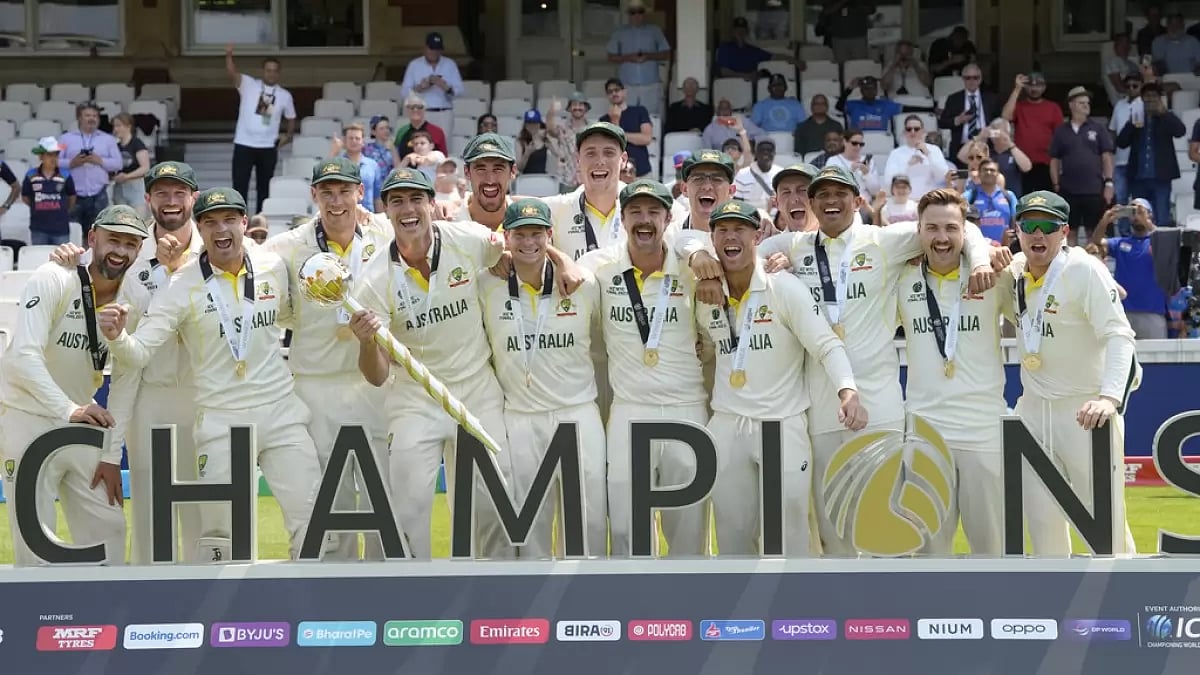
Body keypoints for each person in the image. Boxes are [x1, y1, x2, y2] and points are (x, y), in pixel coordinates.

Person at [684, 165, 999, 556]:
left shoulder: (884, 241)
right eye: (823, 195)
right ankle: (841, 615)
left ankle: (887, 617)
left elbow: (957, 226)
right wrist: (707, 268)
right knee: (834, 530)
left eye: (841, 194)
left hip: (879, 404)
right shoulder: (795, 245)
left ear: (859, 200)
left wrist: (982, 259)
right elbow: (733, 252)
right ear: (813, 204)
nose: (831, 201)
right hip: (821, 407)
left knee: (888, 526)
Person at [98, 187, 325, 562]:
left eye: (229, 220)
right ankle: (221, 619)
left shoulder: (271, 267)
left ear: (244, 223)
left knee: (312, 524)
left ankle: (309, 614)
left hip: (281, 413)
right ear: (199, 230)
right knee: (221, 541)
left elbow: (294, 313)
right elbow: (139, 353)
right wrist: (117, 336)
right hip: (221, 421)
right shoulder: (180, 285)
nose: (222, 230)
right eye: (210, 222)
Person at [350, 168, 508, 559]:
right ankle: (414, 596)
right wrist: (367, 343)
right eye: (397, 201)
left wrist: (559, 260)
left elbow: (513, 247)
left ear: (431, 204)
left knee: (489, 506)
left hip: (476, 389)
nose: (408, 209)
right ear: (384, 209)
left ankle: (485, 592)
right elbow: (376, 375)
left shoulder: (468, 239)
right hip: (414, 397)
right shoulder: (372, 278)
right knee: (408, 510)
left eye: (416, 199)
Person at [698, 198, 864, 556]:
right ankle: (737, 613)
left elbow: (826, 345)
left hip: (781, 423)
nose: (731, 238)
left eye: (739, 229)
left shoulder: (784, 288)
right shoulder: (704, 293)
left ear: (757, 235)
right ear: (711, 239)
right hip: (728, 423)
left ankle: (794, 611)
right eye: (722, 230)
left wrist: (847, 390)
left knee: (788, 534)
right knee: (732, 532)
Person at [0, 205, 150, 566]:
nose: (120, 251)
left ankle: (108, 618)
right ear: (92, 238)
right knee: (35, 542)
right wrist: (68, 408)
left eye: (130, 244)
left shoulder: (137, 297)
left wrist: (112, 455)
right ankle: (38, 620)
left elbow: (127, 376)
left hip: (81, 421)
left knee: (109, 532)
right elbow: (24, 356)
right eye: (113, 240)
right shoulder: (54, 275)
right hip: (26, 415)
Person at [260, 157, 394, 560]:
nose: (336, 202)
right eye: (327, 193)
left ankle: (384, 586)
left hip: (374, 384)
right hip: (315, 387)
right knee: (330, 501)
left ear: (359, 193)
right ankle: (334, 596)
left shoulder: (384, 232)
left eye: (345, 192)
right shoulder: (288, 246)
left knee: (381, 497)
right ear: (314, 195)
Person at [577, 179, 708, 557]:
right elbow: (564, 269)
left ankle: (689, 612)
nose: (644, 219)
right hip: (630, 410)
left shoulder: (691, 266)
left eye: (653, 211)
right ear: (622, 217)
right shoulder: (601, 267)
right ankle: (631, 613)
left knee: (688, 533)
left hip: (687, 411)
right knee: (625, 530)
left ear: (669, 218)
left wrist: (696, 249)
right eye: (635, 211)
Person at [1005, 190, 1139, 555]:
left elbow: (1120, 336)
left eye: (1047, 227)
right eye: (1029, 226)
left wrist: (1109, 398)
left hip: (1084, 412)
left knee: (1104, 526)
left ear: (1064, 232)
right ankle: (1054, 606)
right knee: (1041, 521)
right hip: (1032, 411)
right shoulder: (1014, 272)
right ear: (1016, 230)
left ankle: (1124, 602)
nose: (1037, 235)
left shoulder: (1083, 269)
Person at [478, 198, 607, 558]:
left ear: (550, 236)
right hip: (521, 417)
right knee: (530, 527)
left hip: (577, 412)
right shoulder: (486, 285)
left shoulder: (583, 284)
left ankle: (584, 605)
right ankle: (533, 613)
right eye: (520, 234)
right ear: (507, 237)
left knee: (588, 525)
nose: (528, 243)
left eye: (537, 234)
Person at [898, 189, 1011, 555]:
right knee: (927, 555)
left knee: (992, 550)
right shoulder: (900, 279)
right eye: (932, 228)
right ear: (918, 231)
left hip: (984, 432)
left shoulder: (994, 275)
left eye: (951, 228)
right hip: (925, 432)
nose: (941, 238)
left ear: (965, 233)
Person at [226, 45, 296, 215]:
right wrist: (228, 56)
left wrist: (288, 135)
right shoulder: (249, 85)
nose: (271, 73)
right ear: (263, 71)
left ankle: (260, 222)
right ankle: (239, 218)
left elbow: (291, 117)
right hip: (244, 144)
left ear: (279, 73)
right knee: (240, 185)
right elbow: (232, 74)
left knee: (264, 188)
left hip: (267, 147)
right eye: (268, 70)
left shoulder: (285, 95)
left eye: (274, 71)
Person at [1091, 198, 1172, 339]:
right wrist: (1105, 221)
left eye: (1139, 210)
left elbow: (1168, 244)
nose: (1136, 215)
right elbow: (1097, 241)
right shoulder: (1121, 243)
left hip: (1152, 313)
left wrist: (1147, 222)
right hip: (1123, 313)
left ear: (1150, 215)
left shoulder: (1158, 241)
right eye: (1132, 211)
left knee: (1155, 360)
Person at [1115, 81, 1186, 225]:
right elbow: (1121, 142)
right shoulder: (1136, 119)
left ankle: (1161, 247)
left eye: (1154, 96)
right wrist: (1130, 123)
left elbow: (1180, 131)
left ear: (1160, 99)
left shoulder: (1166, 117)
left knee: (1162, 216)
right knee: (1140, 218)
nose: (1150, 100)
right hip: (1138, 177)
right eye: (1147, 96)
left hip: (1161, 177)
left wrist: (1165, 113)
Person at [1049, 87, 1114, 242]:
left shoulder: (1098, 129)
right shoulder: (1061, 131)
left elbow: (1106, 156)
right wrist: (1056, 184)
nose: (1086, 105)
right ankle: (1072, 265)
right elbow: (1054, 160)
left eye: (1087, 102)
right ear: (1071, 105)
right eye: (1081, 102)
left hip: (1093, 189)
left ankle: (1092, 264)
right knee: (1070, 231)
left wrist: (1109, 183)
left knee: (1094, 231)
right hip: (1068, 189)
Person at [58, 102, 122, 241]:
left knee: (98, 235)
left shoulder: (108, 139)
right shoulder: (65, 139)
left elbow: (118, 163)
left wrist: (99, 161)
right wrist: (72, 163)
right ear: (79, 118)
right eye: (87, 115)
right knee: (72, 235)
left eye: (95, 116)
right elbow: (54, 162)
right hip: (72, 195)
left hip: (98, 194)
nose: (91, 118)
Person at [605, 0, 671, 116]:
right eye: (633, 12)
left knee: (651, 116)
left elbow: (666, 53)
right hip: (627, 84)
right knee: (627, 116)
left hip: (650, 83)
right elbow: (610, 57)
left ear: (644, 13)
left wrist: (648, 56)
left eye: (640, 12)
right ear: (629, 14)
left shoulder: (655, 30)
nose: (636, 15)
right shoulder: (619, 32)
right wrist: (629, 58)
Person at [1001, 72, 1061, 194]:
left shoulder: (1053, 108)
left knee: (1045, 204)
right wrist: (1017, 89)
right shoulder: (1020, 106)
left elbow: (1060, 136)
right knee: (1024, 203)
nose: (1034, 89)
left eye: (1038, 86)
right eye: (1030, 86)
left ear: (1044, 87)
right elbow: (1005, 117)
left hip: (1046, 165)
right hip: (1022, 165)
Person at [939, 65, 1001, 167]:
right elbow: (942, 122)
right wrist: (958, 120)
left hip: (986, 147)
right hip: (961, 149)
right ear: (963, 79)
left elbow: (999, 126)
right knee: (961, 178)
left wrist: (989, 133)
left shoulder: (992, 99)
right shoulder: (954, 99)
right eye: (968, 78)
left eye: (975, 78)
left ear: (980, 79)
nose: (972, 81)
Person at [399, 31, 464, 128]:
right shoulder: (414, 65)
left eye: (437, 49)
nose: (434, 52)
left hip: (444, 113)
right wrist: (420, 88)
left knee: (444, 143)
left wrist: (446, 87)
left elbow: (461, 91)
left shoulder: (450, 64)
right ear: (425, 48)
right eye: (431, 49)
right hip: (422, 113)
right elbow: (404, 92)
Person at [22, 137, 77, 246]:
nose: (54, 158)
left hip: (60, 228)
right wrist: (37, 205)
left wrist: (63, 208)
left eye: (56, 155)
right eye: (50, 155)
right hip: (38, 228)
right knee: (40, 260)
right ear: (41, 156)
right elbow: (25, 197)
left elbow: (72, 197)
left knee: (62, 260)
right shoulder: (31, 175)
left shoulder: (65, 175)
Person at [459, 133, 519, 230]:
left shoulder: (530, 221)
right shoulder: (449, 221)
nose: (490, 180)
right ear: (467, 172)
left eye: (498, 169)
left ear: (512, 171)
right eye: (481, 169)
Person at [883, 115, 950, 200]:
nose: (913, 132)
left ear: (923, 131)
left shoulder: (934, 150)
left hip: (930, 200)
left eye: (916, 129)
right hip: (906, 201)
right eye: (909, 129)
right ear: (904, 132)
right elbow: (888, 181)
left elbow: (943, 176)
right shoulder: (896, 153)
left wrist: (929, 155)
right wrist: (908, 165)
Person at [599, 79, 654, 178]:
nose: (614, 93)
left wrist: (618, 130)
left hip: (641, 170)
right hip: (616, 174)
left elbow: (646, 138)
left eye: (617, 90)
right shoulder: (603, 120)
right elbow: (610, 145)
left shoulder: (639, 111)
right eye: (610, 92)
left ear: (624, 91)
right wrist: (614, 120)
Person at [677, 150, 736, 232]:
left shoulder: (745, 238)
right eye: (698, 179)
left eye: (717, 179)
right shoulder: (670, 237)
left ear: (731, 191)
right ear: (684, 189)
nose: (707, 187)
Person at [330, 122, 383, 212]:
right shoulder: (336, 164)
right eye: (350, 138)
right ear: (344, 141)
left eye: (357, 138)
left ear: (363, 142)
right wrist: (333, 153)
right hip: (342, 216)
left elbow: (377, 197)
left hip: (368, 218)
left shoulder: (372, 165)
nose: (354, 141)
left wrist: (380, 219)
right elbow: (323, 181)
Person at [962, 158, 1018, 244]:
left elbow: (1016, 221)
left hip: (1005, 248)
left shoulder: (1009, 196)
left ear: (998, 174)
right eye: (985, 170)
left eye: (992, 170)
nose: (988, 172)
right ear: (979, 173)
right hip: (978, 247)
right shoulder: (969, 196)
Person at [546, 93, 592, 190]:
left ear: (586, 108)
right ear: (569, 108)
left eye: (581, 105)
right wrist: (551, 111)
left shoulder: (592, 128)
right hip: (566, 177)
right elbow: (550, 130)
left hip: (588, 177)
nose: (577, 107)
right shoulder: (562, 127)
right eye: (574, 104)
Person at [110, 113, 150, 214]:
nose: (116, 129)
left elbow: (145, 168)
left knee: (138, 219)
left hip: (136, 187)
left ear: (128, 126)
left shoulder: (137, 143)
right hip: (119, 188)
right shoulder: (116, 146)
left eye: (119, 126)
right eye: (115, 126)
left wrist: (127, 176)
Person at [732, 139, 781, 212]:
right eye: (762, 150)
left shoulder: (780, 173)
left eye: (769, 150)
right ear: (755, 154)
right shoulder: (742, 174)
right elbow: (737, 203)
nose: (766, 153)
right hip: (749, 219)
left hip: (774, 220)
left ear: (774, 153)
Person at [771, 163, 821, 232]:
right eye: (786, 192)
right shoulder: (770, 242)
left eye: (803, 190)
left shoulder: (838, 241)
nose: (793, 199)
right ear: (777, 203)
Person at [516, 109, 550, 176]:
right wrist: (526, 154)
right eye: (529, 123)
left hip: (543, 179)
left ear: (539, 124)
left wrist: (548, 135)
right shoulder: (520, 141)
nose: (532, 126)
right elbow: (519, 168)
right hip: (526, 179)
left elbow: (558, 155)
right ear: (525, 125)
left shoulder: (546, 140)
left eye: (535, 123)